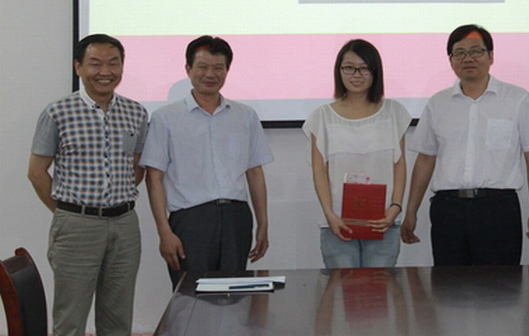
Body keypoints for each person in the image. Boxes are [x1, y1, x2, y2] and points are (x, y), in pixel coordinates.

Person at [27, 34, 149, 336]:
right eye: (95, 63)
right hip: (76, 227)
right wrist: (67, 212)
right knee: (70, 318)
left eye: (113, 63)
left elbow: (136, 166)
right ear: (78, 67)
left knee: (118, 319)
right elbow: (37, 172)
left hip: (125, 225)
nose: (105, 71)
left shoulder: (136, 112)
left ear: (122, 67)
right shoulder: (58, 112)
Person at [400, 24, 529, 266]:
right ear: (451, 60)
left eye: (476, 51)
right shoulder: (438, 103)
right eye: (459, 53)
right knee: (449, 285)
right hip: (448, 209)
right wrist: (410, 212)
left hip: (498, 208)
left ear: (491, 56)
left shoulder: (517, 99)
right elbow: (425, 159)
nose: (468, 58)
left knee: (501, 285)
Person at [140, 35, 273, 289]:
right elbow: (154, 178)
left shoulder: (245, 116)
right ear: (188, 69)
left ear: (227, 70)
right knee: (190, 297)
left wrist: (263, 222)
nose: (210, 74)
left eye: (218, 68)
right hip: (190, 221)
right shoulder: (165, 117)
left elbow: (255, 172)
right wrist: (164, 231)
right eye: (202, 67)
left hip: (236, 218)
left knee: (234, 295)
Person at [303, 39, 411, 268]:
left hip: (383, 220)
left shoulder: (393, 112)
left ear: (375, 72)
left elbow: (399, 164)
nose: (356, 75)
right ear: (339, 71)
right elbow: (319, 170)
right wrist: (329, 214)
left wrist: (395, 207)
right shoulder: (322, 116)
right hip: (337, 222)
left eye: (364, 68)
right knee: (342, 288)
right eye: (349, 68)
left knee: (379, 287)